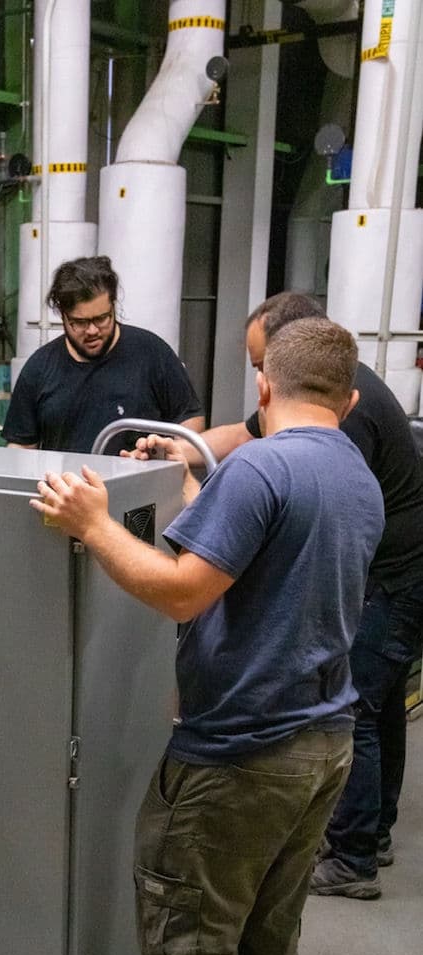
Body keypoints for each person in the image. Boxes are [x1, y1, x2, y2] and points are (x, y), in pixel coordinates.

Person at [31, 317, 384, 955]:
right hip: (321, 740)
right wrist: (195, 478)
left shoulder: (263, 465)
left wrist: (92, 523)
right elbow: (257, 568)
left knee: (190, 935)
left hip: (242, 754)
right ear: (352, 396)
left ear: (264, 386)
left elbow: (185, 593)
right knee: (266, 928)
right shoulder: (356, 474)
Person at [135, 292, 423, 899]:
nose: (257, 379)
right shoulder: (338, 441)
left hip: (381, 598)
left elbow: (190, 590)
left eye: (259, 366)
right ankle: (373, 833)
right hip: (329, 716)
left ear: (276, 378)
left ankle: (354, 855)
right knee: (375, 706)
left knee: (366, 708)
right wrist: (185, 463)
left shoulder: (281, 460)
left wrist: (93, 525)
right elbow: (263, 485)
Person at [2, 255, 204, 454]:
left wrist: (167, 456)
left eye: (101, 319)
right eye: (79, 322)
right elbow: (21, 447)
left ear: (113, 306)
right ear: (62, 315)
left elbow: (190, 420)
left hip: (139, 484)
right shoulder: (39, 368)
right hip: (68, 485)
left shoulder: (152, 353)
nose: (92, 331)